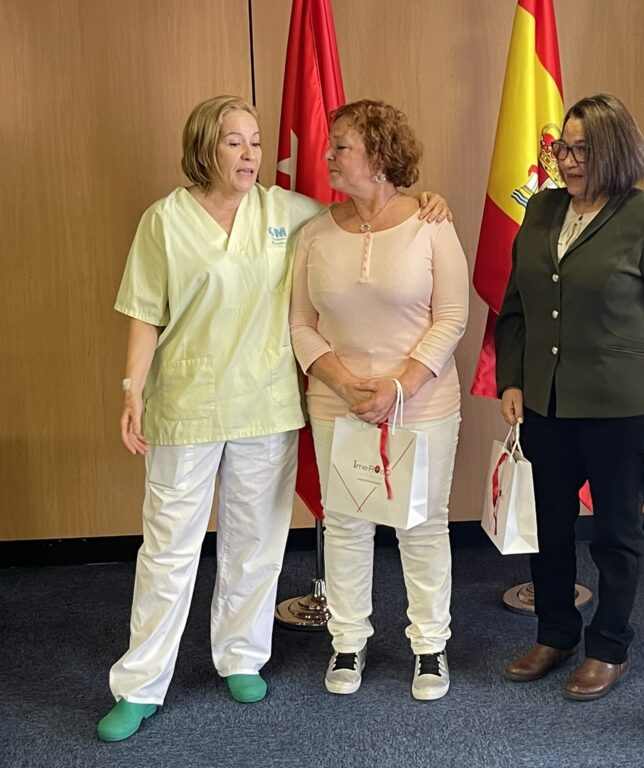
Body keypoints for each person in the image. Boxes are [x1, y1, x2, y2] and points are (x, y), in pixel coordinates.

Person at [99, 95, 449, 741]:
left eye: (256, 142)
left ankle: (241, 656)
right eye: (234, 141)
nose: (250, 154)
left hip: (264, 407)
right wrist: (132, 391)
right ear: (204, 146)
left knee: (255, 544)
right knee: (168, 550)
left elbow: (369, 210)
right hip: (187, 406)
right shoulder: (164, 221)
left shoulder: (288, 212)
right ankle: (140, 684)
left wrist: (426, 200)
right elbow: (145, 313)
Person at [495, 94, 644, 701]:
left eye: (583, 149)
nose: (568, 160)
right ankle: (555, 634)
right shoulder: (542, 209)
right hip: (547, 405)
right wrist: (513, 379)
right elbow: (517, 305)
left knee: (615, 532)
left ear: (616, 151)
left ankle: (609, 646)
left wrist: (625, 352)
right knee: (550, 528)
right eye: (563, 147)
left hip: (623, 409)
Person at [289, 100, 468, 702]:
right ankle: (347, 640)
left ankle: (430, 645)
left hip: (421, 404)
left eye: (341, 145)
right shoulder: (314, 233)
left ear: (380, 156)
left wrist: (400, 386)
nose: (328, 156)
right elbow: (300, 323)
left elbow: (452, 317)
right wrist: (343, 383)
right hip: (336, 403)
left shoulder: (431, 223)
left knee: (421, 525)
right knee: (345, 523)